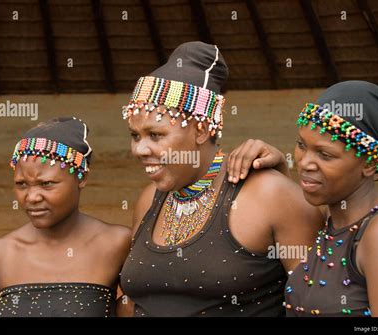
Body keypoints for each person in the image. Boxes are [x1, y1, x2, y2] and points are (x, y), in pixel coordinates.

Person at [119, 41, 323, 316]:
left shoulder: (268, 195)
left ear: (201, 130)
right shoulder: (149, 200)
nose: (140, 150)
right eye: (135, 136)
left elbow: (314, 306)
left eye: (155, 135)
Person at [229, 81, 378, 316]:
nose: (304, 163)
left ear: (369, 164)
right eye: (301, 145)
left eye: (325, 155)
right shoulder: (330, 225)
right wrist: (281, 175)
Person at [0, 117, 131, 317]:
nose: (31, 197)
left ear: (81, 177)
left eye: (46, 184)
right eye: (21, 184)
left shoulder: (117, 244)